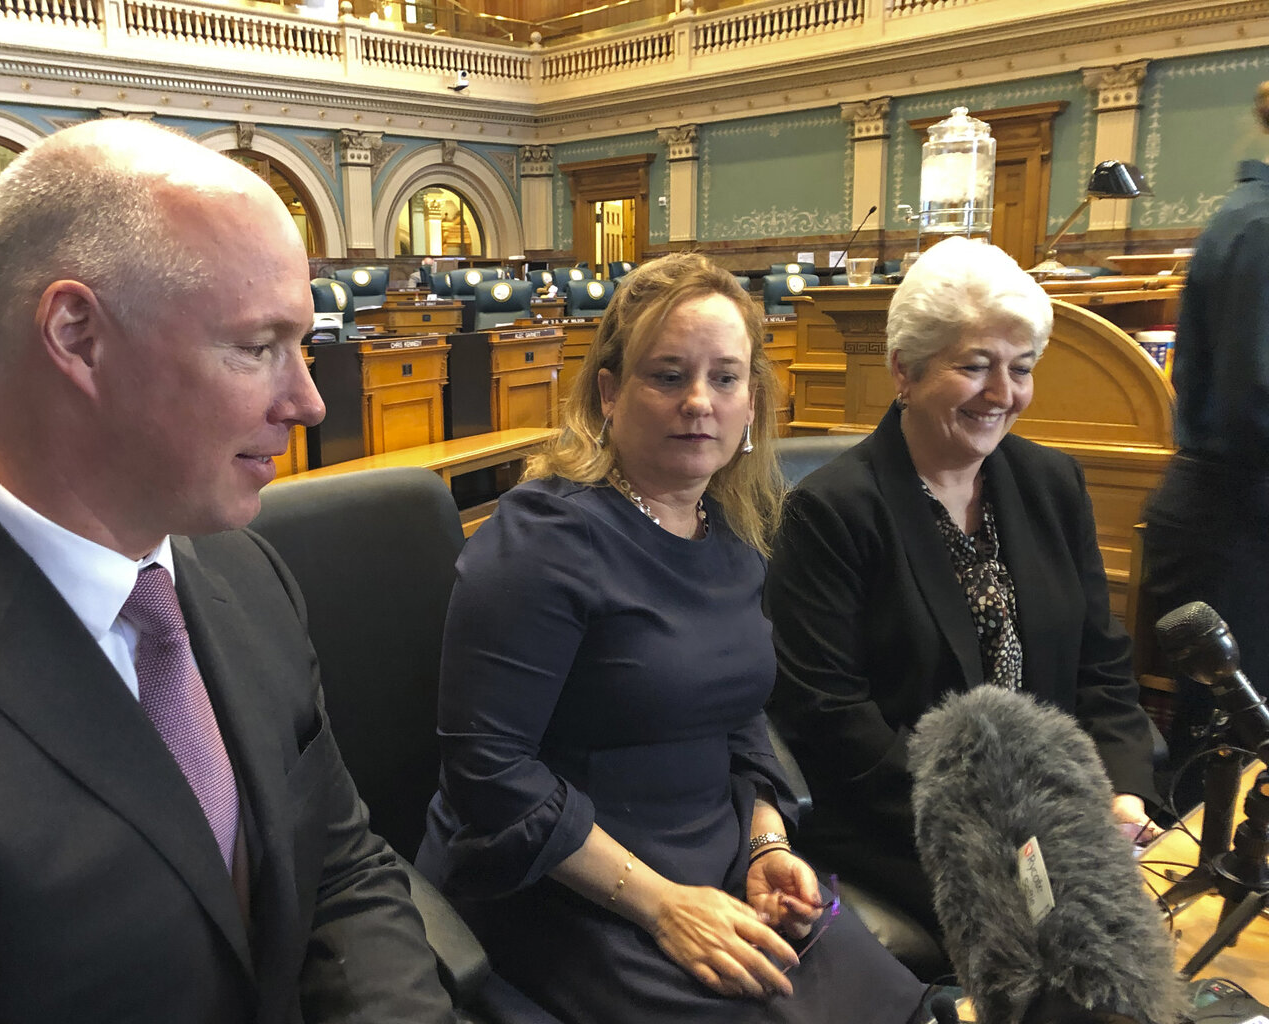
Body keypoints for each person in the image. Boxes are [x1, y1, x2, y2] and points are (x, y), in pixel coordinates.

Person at [0, 119, 454, 1023]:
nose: (308, 401)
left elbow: (339, 870)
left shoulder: (245, 573)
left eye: (302, 344)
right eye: (257, 346)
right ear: (76, 336)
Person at [415, 253, 928, 1024]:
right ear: (610, 393)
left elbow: (739, 714)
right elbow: (487, 771)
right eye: (668, 375)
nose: (699, 402)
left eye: (725, 378)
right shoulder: (543, 539)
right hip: (561, 882)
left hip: (714, 857)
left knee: (890, 1006)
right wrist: (662, 906)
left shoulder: (731, 530)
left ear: (751, 401)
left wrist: (766, 842)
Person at [765, 236, 1162, 937]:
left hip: (1055, 812)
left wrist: (1122, 794)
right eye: (975, 366)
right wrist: (1002, 825)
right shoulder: (831, 510)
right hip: (908, 821)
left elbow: (1101, 667)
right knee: (1068, 939)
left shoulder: (1053, 483)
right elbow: (831, 722)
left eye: (1021, 368)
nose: (1003, 394)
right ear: (904, 370)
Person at [1144, 82, 1269, 763]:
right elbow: (1254, 401)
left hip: (1238, 511)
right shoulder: (1260, 227)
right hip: (1234, 521)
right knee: (1230, 757)